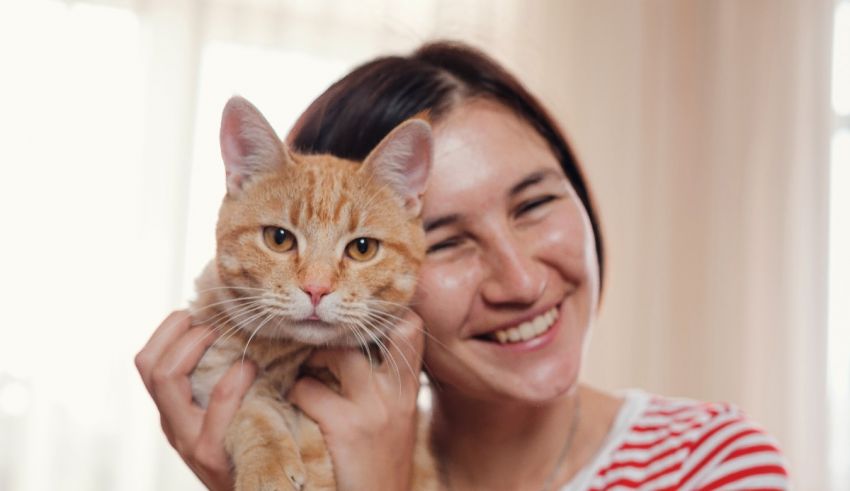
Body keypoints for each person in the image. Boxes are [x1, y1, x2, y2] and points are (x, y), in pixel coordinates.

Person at [135, 41, 789, 490]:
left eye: (533, 203)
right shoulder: (302, 450)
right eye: (446, 240)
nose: (522, 281)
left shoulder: (712, 460)